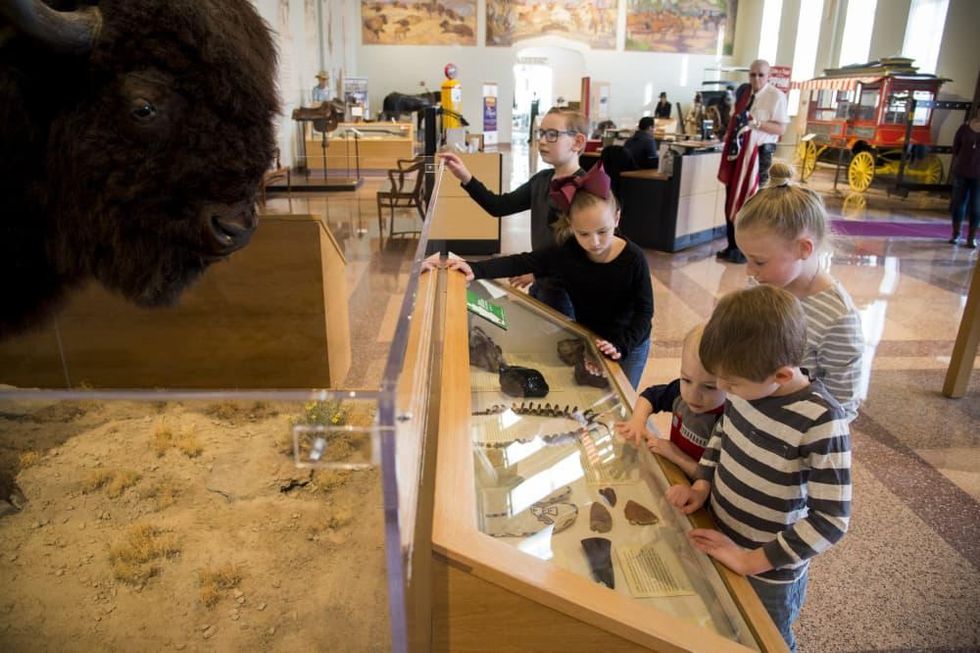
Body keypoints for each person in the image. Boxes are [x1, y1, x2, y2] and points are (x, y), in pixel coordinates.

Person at [666, 284, 851, 652]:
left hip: (770, 572)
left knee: (768, 640)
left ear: (781, 376)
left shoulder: (822, 421)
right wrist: (702, 485)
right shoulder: (746, 389)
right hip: (720, 534)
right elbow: (722, 436)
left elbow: (831, 520)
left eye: (730, 382)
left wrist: (752, 561)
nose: (722, 388)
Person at [422, 164, 654, 389]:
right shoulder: (567, 252)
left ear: (616, 219)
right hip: (591, 338)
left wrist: (621, 346)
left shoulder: (633, 258)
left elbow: (645, 311)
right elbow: (524, 261)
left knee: (624, 397)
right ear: (571, 226)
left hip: (630, 343)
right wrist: (475, 269)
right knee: (593, 389)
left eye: (602, 232)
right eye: (583, 234)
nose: (594, 242)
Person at [735, 161, 863, 421]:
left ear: (804, 248)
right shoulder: (762, 285)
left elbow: (841, 406)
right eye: (746, 259)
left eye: (759, 261)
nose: (749, 271)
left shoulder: (837, 318)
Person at [439, 108, 588, 318]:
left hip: (565, 293)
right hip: (543, 280)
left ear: (578, 142)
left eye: (552, 134)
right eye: (541, 133)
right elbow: (499, 206)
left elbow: (565, 254)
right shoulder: (542, 180)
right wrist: (465, 176)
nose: (542, 141)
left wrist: (535, 270)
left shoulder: (583, 192)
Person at [615, 324, 725, 478]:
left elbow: (710, 478)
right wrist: (638, 421)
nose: (693, 395)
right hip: (674, 475)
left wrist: (674, 454)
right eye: (686, 379)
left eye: (709, 387)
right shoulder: (679, 392)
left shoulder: (727, 421)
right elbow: (650, 396)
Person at [717, 60, 789, 264]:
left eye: (760, 75)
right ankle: (732, 245)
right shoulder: (743, 95)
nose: (756, 79)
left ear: (768, 76)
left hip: (759, 154)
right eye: (752, 75)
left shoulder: (776, 97)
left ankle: (747, 250)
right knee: (731, 198)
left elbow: (781, 129)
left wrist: (757, 123)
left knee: (751, 202)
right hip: (737, 153)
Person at [949, 107, 980, 248]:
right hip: (961, 171)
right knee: (958, 204)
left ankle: (971, 237)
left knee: (976, 207)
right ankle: (956, 234)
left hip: (978, 175)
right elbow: (955, 147)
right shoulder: (964, 128)